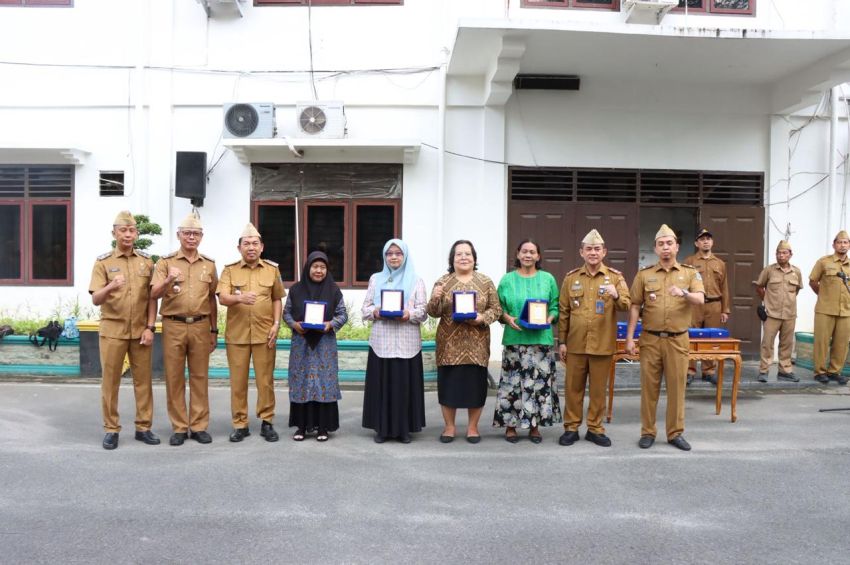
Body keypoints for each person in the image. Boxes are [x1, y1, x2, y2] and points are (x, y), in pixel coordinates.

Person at [626, 224, 704, 451]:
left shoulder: (689, 273)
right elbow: (634, 306)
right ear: (656, 248)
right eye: (661, 244)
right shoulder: (644, 274)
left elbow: (700, 298)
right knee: (649, 389)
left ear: (677, 247)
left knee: (677, 389)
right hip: (650, 340)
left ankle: (675, 433)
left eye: (669, 243)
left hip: (678, 340)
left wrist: (684, 293)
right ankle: (648, 431)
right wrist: (630, 338)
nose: (666, 248)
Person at [88, 210, 158, 450]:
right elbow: (96, 298)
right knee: (110, 382)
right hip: (112, 331)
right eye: (123, 230)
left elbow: (152, 298)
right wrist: (110, 286)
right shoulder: (103, 263)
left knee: (143, 381)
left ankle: (144, 427)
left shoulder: (146, 262)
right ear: (114, 233)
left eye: (132, 230)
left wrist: (150, 327)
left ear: (137, 233)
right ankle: (111, 429)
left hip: (140, 331)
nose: (128, 234)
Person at [150, 212, 219, 446]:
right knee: (174, 377)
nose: (191, 237)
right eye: (187, 233)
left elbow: (212, 299)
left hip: (200, 325)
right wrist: (169, 279)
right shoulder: (165, 262)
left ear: (201, 237)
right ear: (179, 235)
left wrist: (214, 330)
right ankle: (179, 427)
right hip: (173, 325)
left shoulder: (209, 265)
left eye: (196, 234)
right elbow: (154, 293)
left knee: (200, 377)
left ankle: (199, 426)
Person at [558, 229, 630, 448]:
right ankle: (571, 428)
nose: (593, 253)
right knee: (573, 389)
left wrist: (616, 295)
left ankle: (595, 429)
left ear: (604, 252)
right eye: (588, 249)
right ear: (581, 252)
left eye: (597, 249)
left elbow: (627, 304)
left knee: (598, 390)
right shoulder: (571, 278)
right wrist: (562, 342)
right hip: (576, 344)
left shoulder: (615, 278)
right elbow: (564, 312)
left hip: (602, 345)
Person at [217, 223, 286, 443]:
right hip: (237, 336)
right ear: (239, 248)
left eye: (255, 244)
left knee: (265, 381)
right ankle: (240, 424)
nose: (251, 248)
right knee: (238, 381)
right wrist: (240, 298)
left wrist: (276, 324)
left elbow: (277, 298)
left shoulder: (272, 269)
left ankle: (267, 422)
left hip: (264, 334)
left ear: (262, 247)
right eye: (246, 244)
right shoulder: (229, 270)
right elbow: (222, 297)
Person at [427, 240, 501, 444]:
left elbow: (496, 309)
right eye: (458, 254)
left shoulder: (485, 282)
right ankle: (449, 427)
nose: (463, 257)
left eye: (468, 254)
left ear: (474, 258)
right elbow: (432, 313)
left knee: (475, 388)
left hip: (477, 344)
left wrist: (482, 318)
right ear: (452, 259)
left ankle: (472, 428)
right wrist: (435, 298)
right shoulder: (443, 282)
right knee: (449, 387)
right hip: (449, 346)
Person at [493, 239, 561, 444]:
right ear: (518, 254)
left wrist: (549, 318)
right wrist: (506, 317)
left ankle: (534, 426)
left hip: (540, 341)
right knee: (512, 384)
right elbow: (498, 308)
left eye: (532, 252)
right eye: (524, 251)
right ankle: (511, 426)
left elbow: (555, 306)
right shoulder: (507, 279)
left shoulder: (548, 279)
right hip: (515, 339)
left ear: (538, 256)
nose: (528, 255)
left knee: (537, 385)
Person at [361, 239, 427, 443]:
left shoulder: (416, 281)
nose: (394, 257)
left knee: (404, 388)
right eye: (389, 254)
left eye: (398, 253)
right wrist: (376, 311)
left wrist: (409, 314)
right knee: (382, 387)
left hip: (407, 344)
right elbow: (365, 308)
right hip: (382, 343)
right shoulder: (375, 279)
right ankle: (381, 429)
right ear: (384, 257)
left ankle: (404, 429)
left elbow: (423, 311)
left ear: (405, 255)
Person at [284, 251, 348, 441]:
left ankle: (323, 427)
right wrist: (294, 325)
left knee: (324, 383)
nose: (318, 271)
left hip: (325, 344)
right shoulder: (295, 289)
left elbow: (343, 314)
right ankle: (301, 427)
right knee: (301, 382)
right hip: (301, 344)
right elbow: (286, 313)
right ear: (308, 268)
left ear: (327, 270)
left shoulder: (334, 290)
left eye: (322, 267)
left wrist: (331, 324)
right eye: (315, 267)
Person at [683, 228, 730, 386]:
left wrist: (725, 309)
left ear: (712, 242)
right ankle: (690, 371)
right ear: (697, 243)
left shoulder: (720, 264)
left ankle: (708, 371)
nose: (705, 241)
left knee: (711, 339)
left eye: (708, 239)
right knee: (691, 337)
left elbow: (724, 287)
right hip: (695, 305)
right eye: (702, 239)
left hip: (714, 305)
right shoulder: (689, 262)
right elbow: (684, 284)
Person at [754, 240, 803, 383]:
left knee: (786, 344)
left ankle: (785, 370)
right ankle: (764, 370)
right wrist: (767, 301)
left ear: (790, 255)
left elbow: (796, 291)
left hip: (789, 314)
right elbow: (759, 287)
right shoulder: (769, 270)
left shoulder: (796, 272)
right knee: (767, 343)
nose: (781, 256)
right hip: (771, 314)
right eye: (778, 253)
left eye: (784, 253)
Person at [809, 230, 850, 386]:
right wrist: (823, 295)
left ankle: (834, 372)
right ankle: (820, 372)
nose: (842, 245)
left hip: (846, 310)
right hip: (825, 309)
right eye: (839, 242)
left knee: (842, 342)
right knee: (822, 342)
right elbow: (813, 281)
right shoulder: (824, 262)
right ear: (834, 245)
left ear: (849, 245)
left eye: (845, 242)